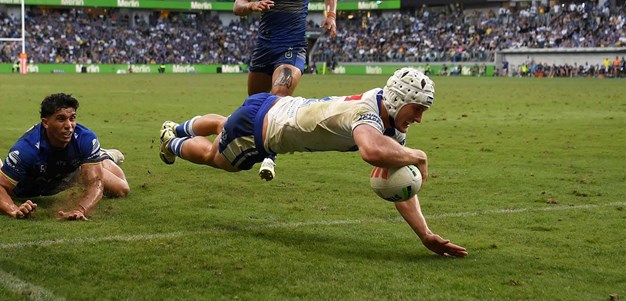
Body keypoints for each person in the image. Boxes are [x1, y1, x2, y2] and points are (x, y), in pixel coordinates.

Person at [158, 68, 467, 257]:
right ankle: (171, 141)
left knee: (224, 125)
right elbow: (371, 152)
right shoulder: (365, 113)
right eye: (416, 109)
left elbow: (399, 184)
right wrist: (419, 155)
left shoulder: (387, 120)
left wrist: (425, 234)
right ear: (399, 100)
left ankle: (181, 127)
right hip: (261, 132)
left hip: (272, 107)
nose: (419, 118)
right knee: (217, 158)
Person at [233, 0, 338, 182]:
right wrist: (252, 6)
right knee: (254, 103)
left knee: (279, 96)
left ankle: (269, 157)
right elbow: (237, 7)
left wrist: (331, 15)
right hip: (264, 47)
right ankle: (235, 140)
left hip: (292, 47)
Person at [0, 93, 130, 220]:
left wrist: (80, 210)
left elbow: (96, 183)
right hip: (27, 187)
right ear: (45, 123)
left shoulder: (85, 138)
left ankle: (102, 157)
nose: (69, 126)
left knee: (121, 189)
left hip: (69, 173)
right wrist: (13, 209)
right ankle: (96, 157)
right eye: (61, 119)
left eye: (72, 118)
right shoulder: (26, 149)